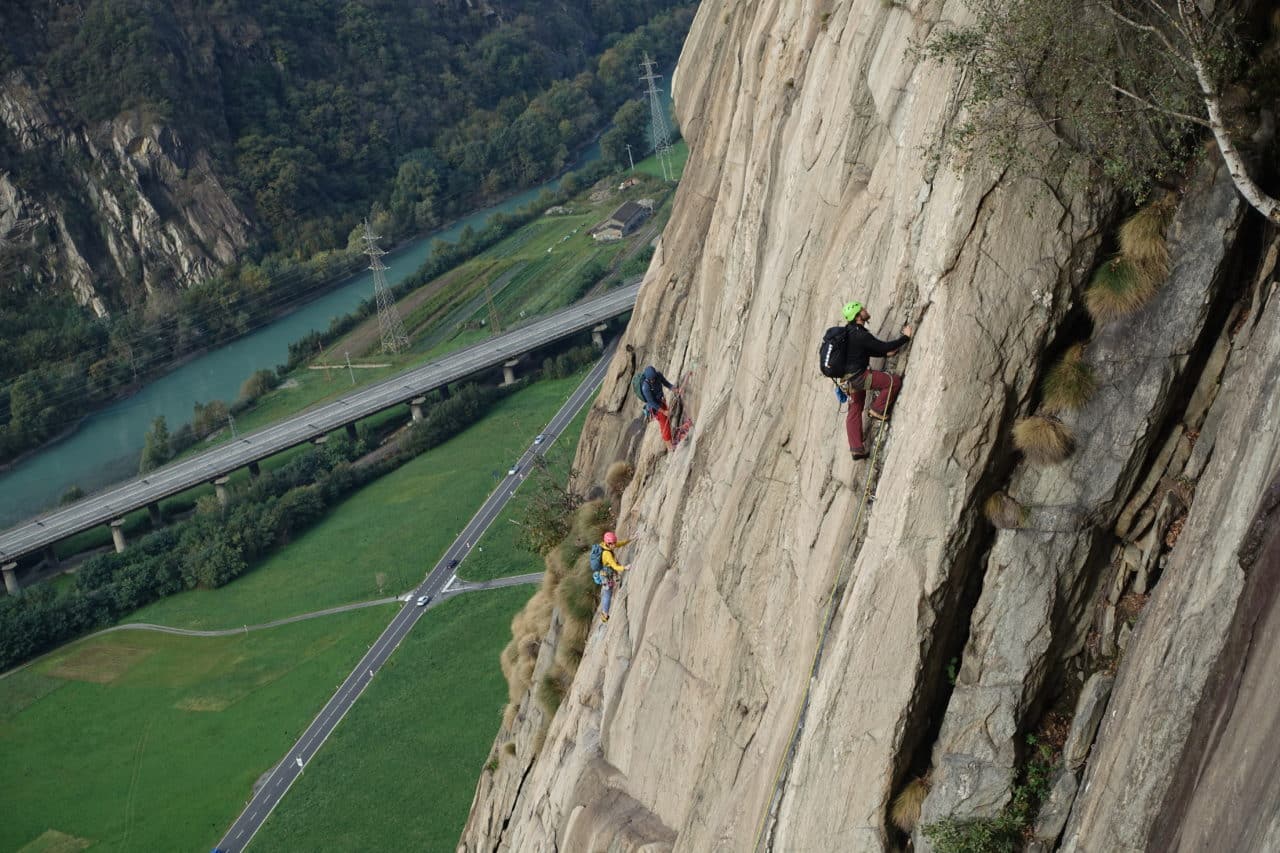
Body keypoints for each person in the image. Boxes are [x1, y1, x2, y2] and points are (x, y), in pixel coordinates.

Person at [839, 301, 912, 460]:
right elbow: (883, 346)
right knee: (894, 382)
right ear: (858, 316)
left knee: (854, 410)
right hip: (859, 378)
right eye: (862, 309)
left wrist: (885, 355)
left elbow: (864, 351)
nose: (866, 310)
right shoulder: (861, 334)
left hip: (847, 381)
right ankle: (878, 410)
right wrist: (905, 337)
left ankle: (856, 449)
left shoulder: (848, 332)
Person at [637, 365, 680, 445]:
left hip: (661, 400)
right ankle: (670, 447)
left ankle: (671, 439)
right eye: (651, 380)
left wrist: (675, 389)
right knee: (665, 426)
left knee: (667, 421)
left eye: (654, 378)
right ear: (648, 379)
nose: (653, 380)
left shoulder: (658, 375)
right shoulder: (645, 387)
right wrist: (663, 411)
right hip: (655, 408)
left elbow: (666, 383)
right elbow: (651, 402)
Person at [598, 530, 631, 622]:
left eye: (614, 543)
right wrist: (625, 568)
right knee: (608, 594)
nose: (615, 545)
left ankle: (605, 610)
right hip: (605, 576)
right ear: (608, 543)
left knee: (607, 591)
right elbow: (614, 566)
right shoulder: (607, 554)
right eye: (613, 544)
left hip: (607, 573)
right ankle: (605, 614)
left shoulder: (607, 546)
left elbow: (619, 544)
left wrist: (631, 539)